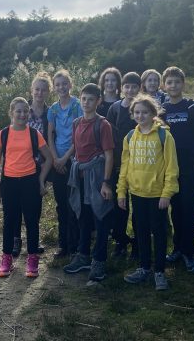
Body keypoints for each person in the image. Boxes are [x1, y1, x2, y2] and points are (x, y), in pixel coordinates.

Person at [118, 95, 179, 291]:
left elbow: (172, 168)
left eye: (145, 112)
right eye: (137, 112)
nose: (140, 116)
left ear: (153, 114)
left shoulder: (164, 136)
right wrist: (121, 192)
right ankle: (144, 268)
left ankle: (159, 271)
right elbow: (125, 167)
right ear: (132, 114)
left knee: (159, 233)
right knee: (141, 232)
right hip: (137, 194)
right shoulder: (129, 137)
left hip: (157, 196)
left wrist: (167, 193)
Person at [0, 97, 53, 278]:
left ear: (29, 113)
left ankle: (33, 259)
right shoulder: (3, 134)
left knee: (32, 221)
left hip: (30, 182)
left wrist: (41, 180)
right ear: (11, 113)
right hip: (9, 183)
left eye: (25, 111)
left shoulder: (34, 134)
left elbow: (49, 159)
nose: (22, 114)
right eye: (18, 111)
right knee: (9, 222)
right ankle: (6, 258)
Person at [62, 83, 115, 282]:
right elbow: (76, 148)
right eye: (83, 99)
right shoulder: (76, 123)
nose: (86, 103)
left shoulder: (103, 125)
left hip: (98, 177)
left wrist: (106, 182)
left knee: (100, 217)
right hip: (80, 177)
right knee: (83, 217)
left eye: (91, 99)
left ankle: (99, 260)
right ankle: (83, 255)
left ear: (98, 101)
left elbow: (109, 155)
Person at [160, 66, 194, 273]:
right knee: (175, 208)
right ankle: (178, 248)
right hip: (168, 168)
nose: (173, 86)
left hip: (190, 166)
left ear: (183, 84)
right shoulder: (161, 109)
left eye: (177, 82)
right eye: (169, 82)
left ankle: (189, 252)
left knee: (189, 209)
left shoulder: (192, 108)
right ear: (164, 85)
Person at [11, 72, 52, 257]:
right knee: (17, 204)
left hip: (40, 166)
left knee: (35, 205)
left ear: (48, 92)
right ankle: (16, 240)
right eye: (37, 89)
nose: (40, 93)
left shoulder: (51, 112)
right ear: (32, 90)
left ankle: (32, 242)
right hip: (20, 164)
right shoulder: (22, 109)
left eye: (43, 90)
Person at [104, 71, 141, 258]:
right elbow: (109, 135)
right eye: (127, 86)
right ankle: (120, 240)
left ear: (139, 88)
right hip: (119, 163)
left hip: (140, 164)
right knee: (120, 203)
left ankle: (139, 240)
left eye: (134, 86)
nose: (130, 89)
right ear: (122, 88)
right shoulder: (115, 108)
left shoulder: (142, 108)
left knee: (138, 204)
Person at [47, 70, 83, 258]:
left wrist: (65, 158)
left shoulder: (77, 105)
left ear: (70, 85)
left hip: (73, 160)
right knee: (61, 204)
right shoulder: (52, 109)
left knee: (73, 203)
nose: (61, 87)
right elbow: (50, 135)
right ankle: (63, 245)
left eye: (64, 83)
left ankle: (76, 244)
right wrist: (55, 158)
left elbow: (79, 135)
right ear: (54, 87)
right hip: (57, 161)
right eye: (57, 84)